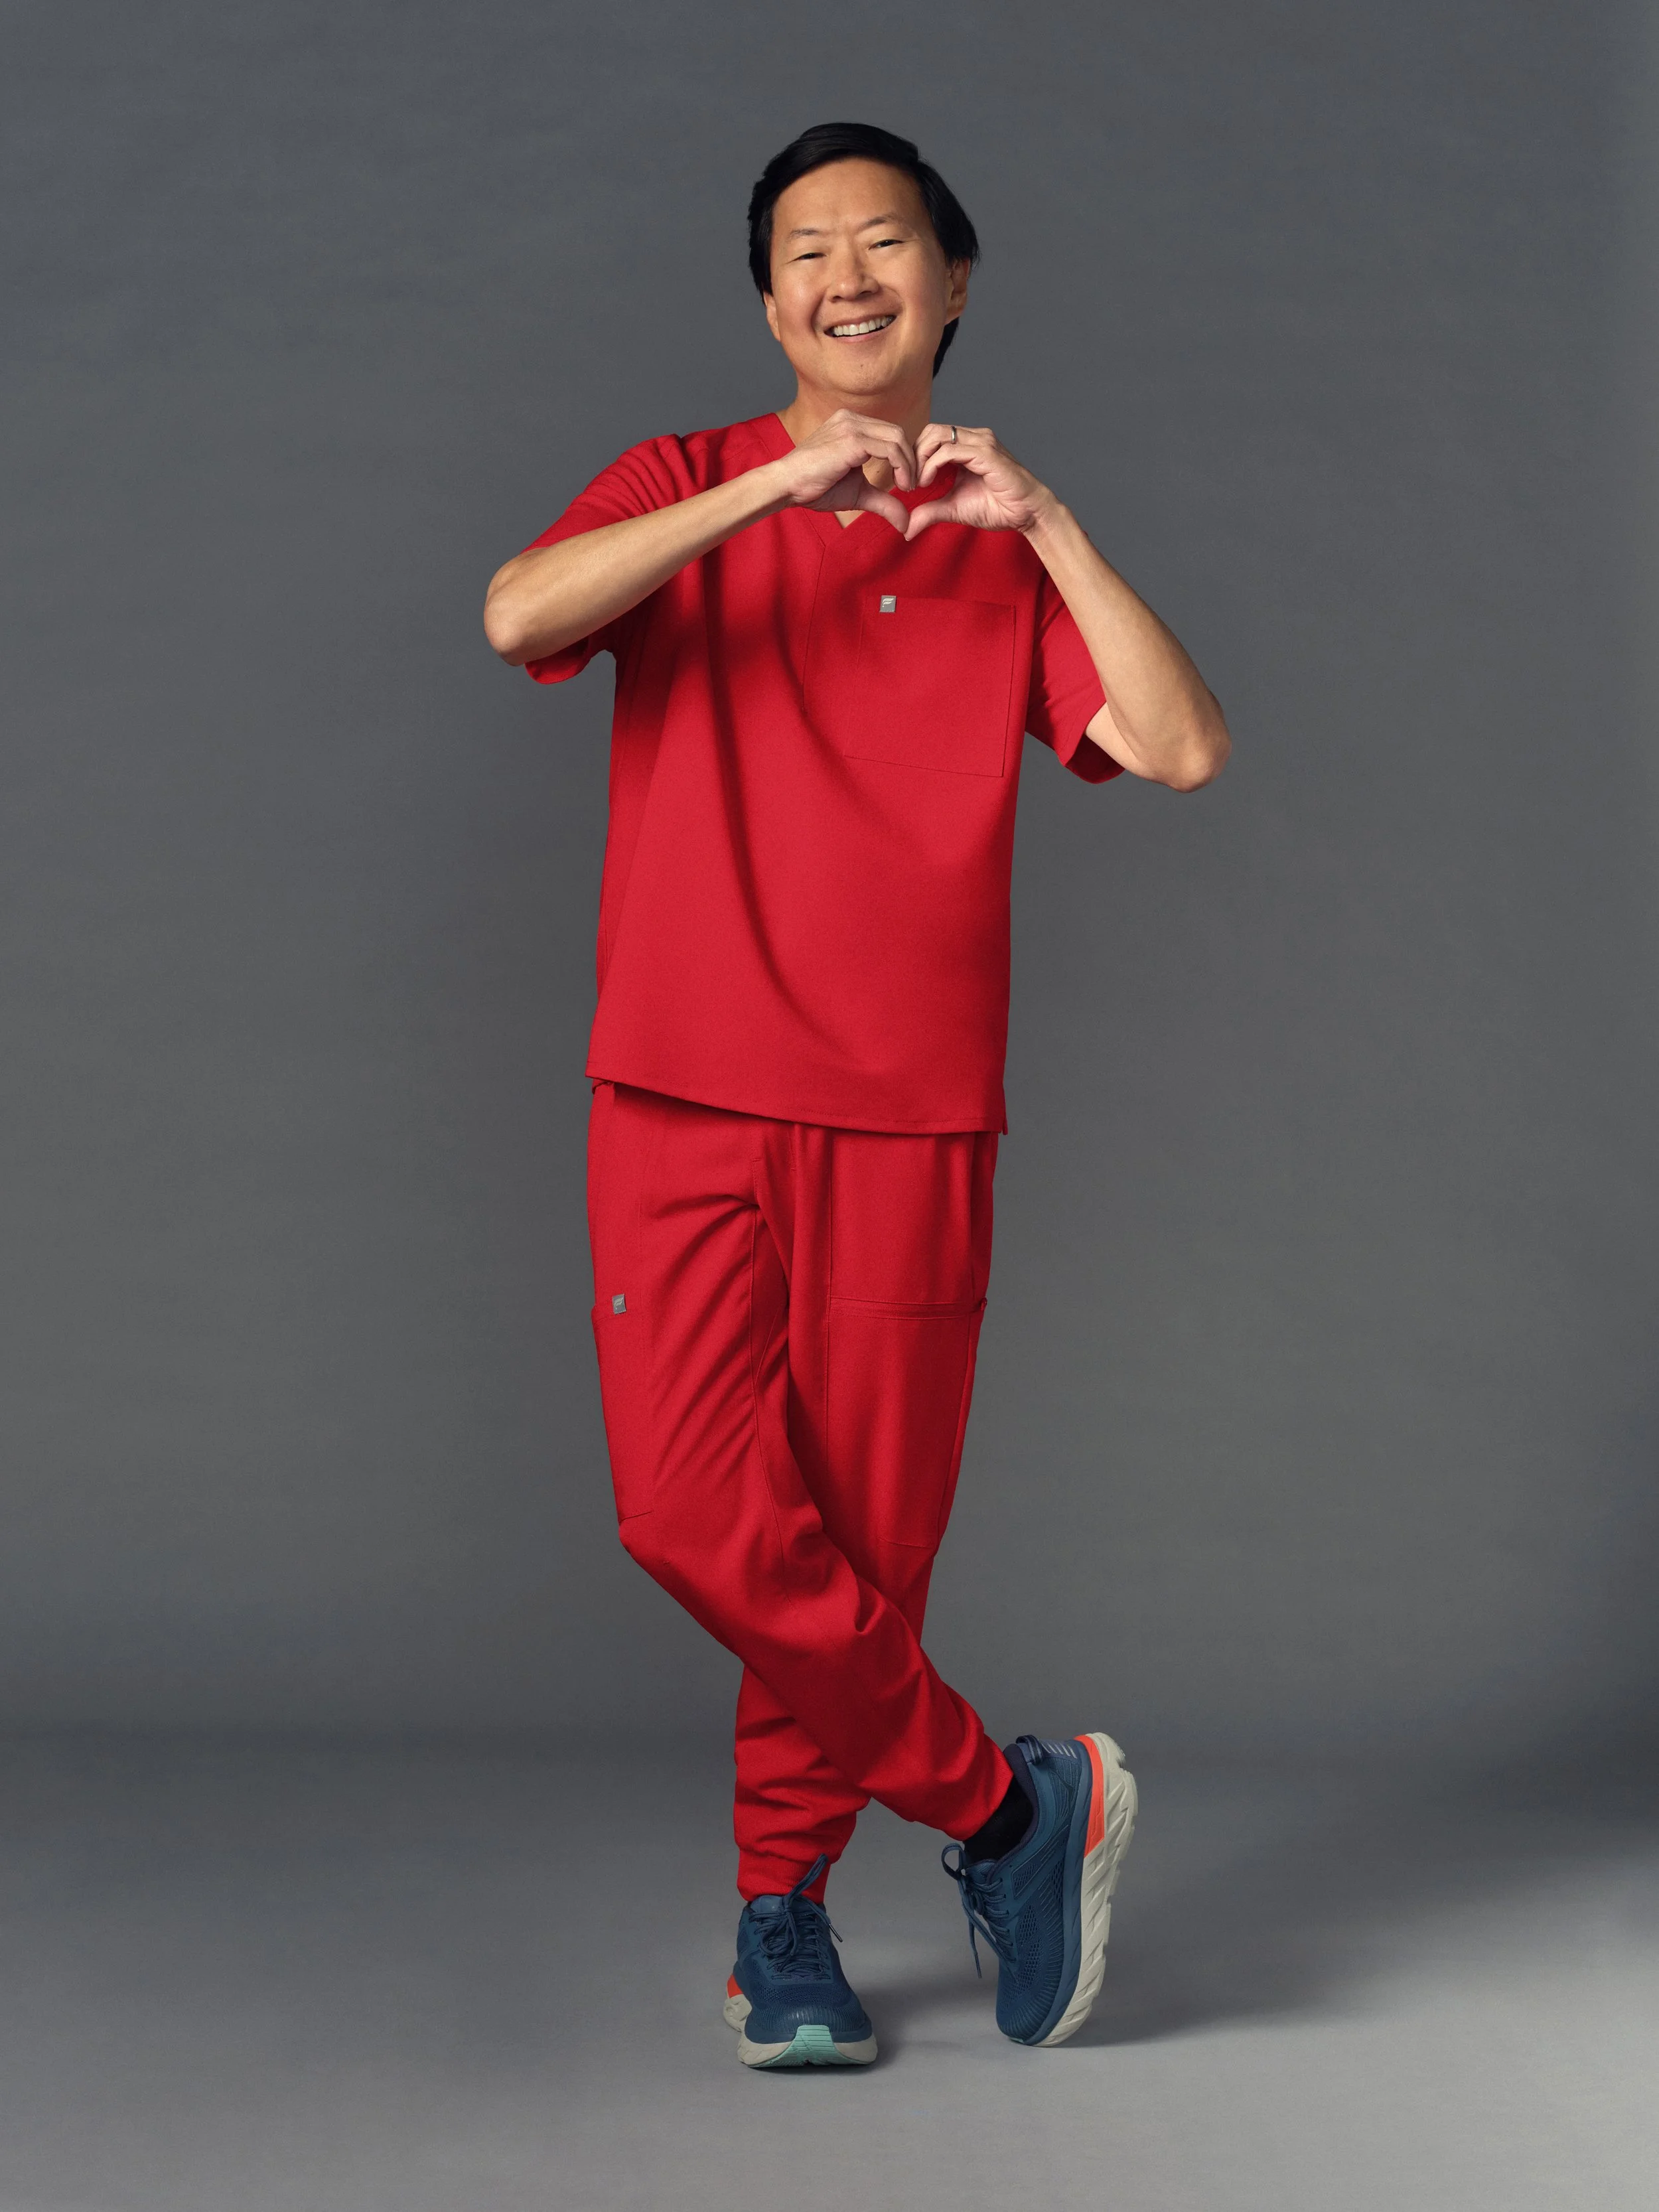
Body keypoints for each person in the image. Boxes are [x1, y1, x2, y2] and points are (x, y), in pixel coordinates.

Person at [483, 120, 1230, 2069]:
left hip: (910, 1116)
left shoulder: (1001, 543)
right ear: (768, 304)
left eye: (883, 242)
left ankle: (782, 1922)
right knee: (693, 1510)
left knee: (857, 1536)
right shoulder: (688, 483)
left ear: (953, 284)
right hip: (676, 1085)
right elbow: (520, 614)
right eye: (803, 252)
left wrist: (1048, 522)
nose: (842, 275)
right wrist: (775, 490)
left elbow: (1174, 748)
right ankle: (1003, 1801)